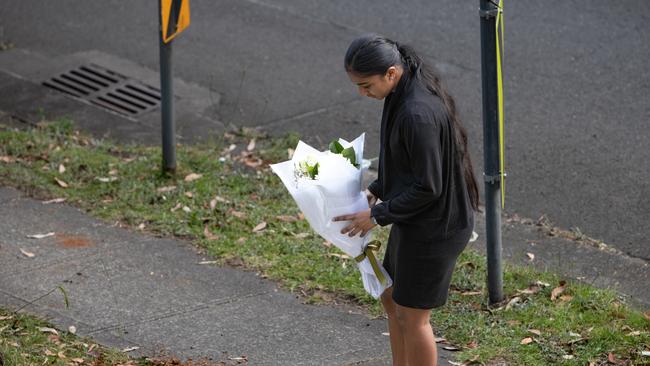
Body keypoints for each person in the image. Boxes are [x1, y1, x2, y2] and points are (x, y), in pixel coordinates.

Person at [333, 34, 480, 366]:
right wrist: (378, 188)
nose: (361, 93)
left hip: (435, 227)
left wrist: (377, 214)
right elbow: (405, 161)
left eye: (366, 85)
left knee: (414, 318)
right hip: (416, 220)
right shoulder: (402, 91)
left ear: (390, 73)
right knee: (393, 303)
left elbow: (429, 186)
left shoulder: (417, 113)